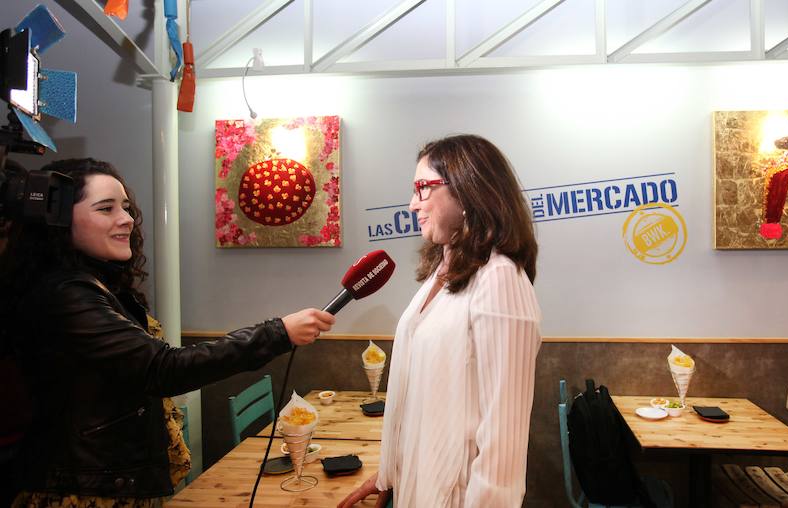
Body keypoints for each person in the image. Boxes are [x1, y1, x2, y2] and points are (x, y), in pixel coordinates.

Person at [0, 158, 335, 507]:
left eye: (126, 207)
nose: (126, 219)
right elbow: (162, 368)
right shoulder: (64, 296)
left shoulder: (96, 286)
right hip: (81, 494)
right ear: (57, 218)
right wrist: (277, 332)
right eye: (106, 209)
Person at [339, 135, 542, 507]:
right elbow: (414, 397)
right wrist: (388, 475)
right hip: (418, 488)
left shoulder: (499, 278)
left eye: (422, 188)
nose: (412, 203)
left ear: (469, 191)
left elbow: (504, 443)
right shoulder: (442, 274)